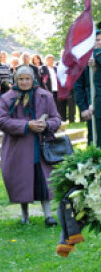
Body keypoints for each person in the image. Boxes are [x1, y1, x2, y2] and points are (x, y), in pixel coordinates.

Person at [0, 66, 61, 226]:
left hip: (40, 148)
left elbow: (56, 118)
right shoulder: (7, 98)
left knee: (44, 181)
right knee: (22, 180)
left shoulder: (45, 95)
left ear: (33, 79)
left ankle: (48, 216)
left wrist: (46, 124)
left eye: (27, 79)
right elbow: (3, 120)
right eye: (21, 79)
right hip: (18, 149)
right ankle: (24, 215)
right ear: (16, 80)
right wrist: (27, 125)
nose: (24, 82)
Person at [73, 19, 101, 146]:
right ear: (99, 36)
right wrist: (84, 107)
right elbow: (79, 85)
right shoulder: (90, 57)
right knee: (96, 143)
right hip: (95, 108)